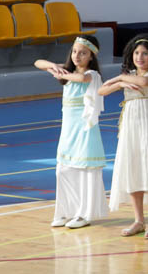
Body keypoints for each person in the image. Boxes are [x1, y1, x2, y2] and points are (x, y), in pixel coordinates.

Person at [103, 34, 148, 239]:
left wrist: (120, 78)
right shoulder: (128, 76)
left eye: (145, 53)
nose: (140, 57)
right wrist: (120, 83)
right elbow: (101, 90)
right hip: (130, 128)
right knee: (133, 170)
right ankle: (139, 220)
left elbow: (143, 81)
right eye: (137, 53)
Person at [37, 35, 105, 229]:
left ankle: (84, 214)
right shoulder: (67, 70)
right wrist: (53, 66)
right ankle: (65, 212)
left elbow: (81, 78)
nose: (77, 55)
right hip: (68, 131)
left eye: (83, 53)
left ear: (91, 56)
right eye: (74, 51)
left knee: (84, 170)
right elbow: (38, 62)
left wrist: (61, 74)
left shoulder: (93, 75)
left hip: (85, 130)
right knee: (63, 169)